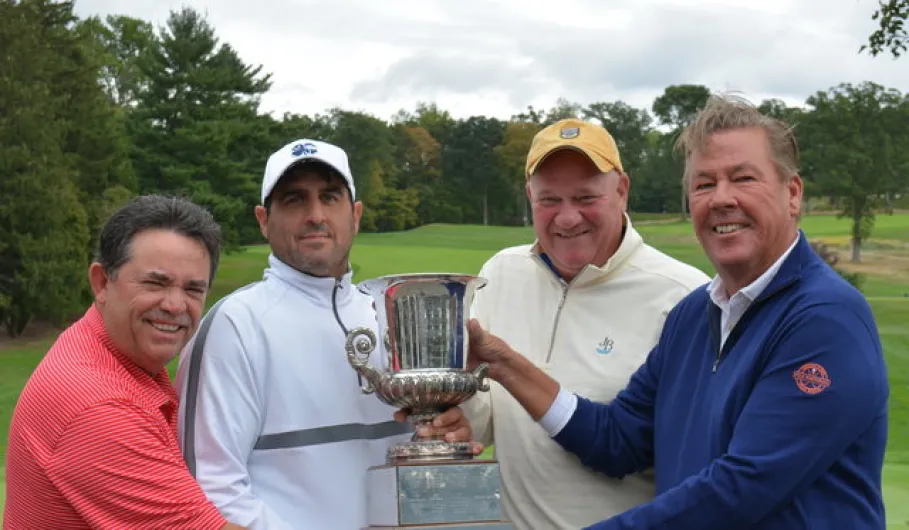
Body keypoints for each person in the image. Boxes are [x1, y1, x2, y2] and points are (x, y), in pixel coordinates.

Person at [465, 94, 889, 529]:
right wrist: (506, 365)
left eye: (743, 178)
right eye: (704, 184)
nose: (722, 199)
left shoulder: (824, 319)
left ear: (792, 194)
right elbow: (616, 440)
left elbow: (737, 492)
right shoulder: (693, 315)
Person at [175, 138, 478, 530]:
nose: (315, 215)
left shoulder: (389, 316)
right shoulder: (235, 324)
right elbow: (210, 492)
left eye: (330, 197)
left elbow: (425, 460)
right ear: (263, 220)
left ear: (355, 215)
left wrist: (444, 440)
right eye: (294, 199)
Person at [459, 117, 710, 529]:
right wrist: (459, 417)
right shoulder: (500, 273)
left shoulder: (682, 295)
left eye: (585, 197)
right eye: (549, 200)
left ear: (622, 191)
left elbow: (690, 463)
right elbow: (483, 424)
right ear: (529, 197)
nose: (568, 217)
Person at [4, 195, 246, 529]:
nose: (176, 305)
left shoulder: (101, 350)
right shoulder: (100, 410)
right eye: (155, 282)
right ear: (102, 283)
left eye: (193, 290)